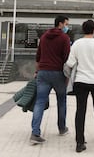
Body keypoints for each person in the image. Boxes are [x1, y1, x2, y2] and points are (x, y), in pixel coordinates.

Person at [65, 19, 94, 153]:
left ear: (83, 30)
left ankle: (80, 142)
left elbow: (70, 62)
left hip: (81, 81)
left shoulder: (77, 44)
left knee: (80, 111)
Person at [30, 15, 71, 144]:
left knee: (40, 102)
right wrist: (68, 76)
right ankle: (62, 128)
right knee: (62, 101)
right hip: (58, 73)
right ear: (60, 24)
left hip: (43, 72)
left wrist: (37, 71)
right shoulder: (64, 38)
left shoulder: (43, 37)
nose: (67, 26)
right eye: (66, 24)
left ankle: (35, 132)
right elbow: (67, 58)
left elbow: (38, 56)